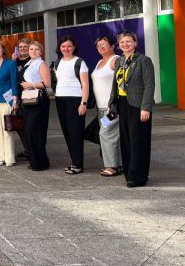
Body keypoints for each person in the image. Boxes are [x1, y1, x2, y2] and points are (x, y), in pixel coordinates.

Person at [109, 31, 155, 188]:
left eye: (128, 41)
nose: (125, 44)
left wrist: (146, 107)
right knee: (126, 141)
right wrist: (111, 104)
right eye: (122, 42)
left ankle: (138, 177)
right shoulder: (119, 61)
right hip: (122, 104)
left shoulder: (144, 60)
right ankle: (129, 173)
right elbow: (115, 85)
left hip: (138, 105)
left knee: (138, 141)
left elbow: (149, 86)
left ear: (135, 43)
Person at [54, 35, 90, 175]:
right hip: (60, 100)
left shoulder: (80, 62)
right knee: (67, 132)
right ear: (60, 48)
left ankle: (78, 164)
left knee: (76, 132)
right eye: (63, 46)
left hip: (75, 100)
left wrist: (83, 103)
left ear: (74, 47)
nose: (66, 49)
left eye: (69, 46)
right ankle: (74, 161)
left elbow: (85, 85)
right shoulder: (57, 63)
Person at [18, 41, 52, 171]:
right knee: (29, 131)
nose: (33, 51)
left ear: (41, 51)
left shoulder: (41, 64)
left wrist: (31, 85)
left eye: (36, 49)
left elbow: (47, 83)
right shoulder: (28, 64)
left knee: (36, 130)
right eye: (31, 49)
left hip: (39, 100)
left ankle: (41, 162)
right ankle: (34, 161)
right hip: (28, 99)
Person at [92, 36, 122, 177]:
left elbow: (121, 83)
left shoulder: (115, 60)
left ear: (112, 46)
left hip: (112, 108)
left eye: (104, 44)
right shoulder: (99, 62)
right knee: (113, 136)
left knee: (105, 134)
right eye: (98, 45)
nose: (101, 47)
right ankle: (119, 164)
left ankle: (112, 166)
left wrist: (114, 103)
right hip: (101, 108)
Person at [13, 38, 32, 160]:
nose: (23, 49)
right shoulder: (15, 62)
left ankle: (33, 150)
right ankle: (27, 149)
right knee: (20, 125)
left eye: (25, 47)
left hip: (30, 97)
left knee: (30, 125)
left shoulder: (33, 61)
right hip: (18, 97)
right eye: (20, 47)